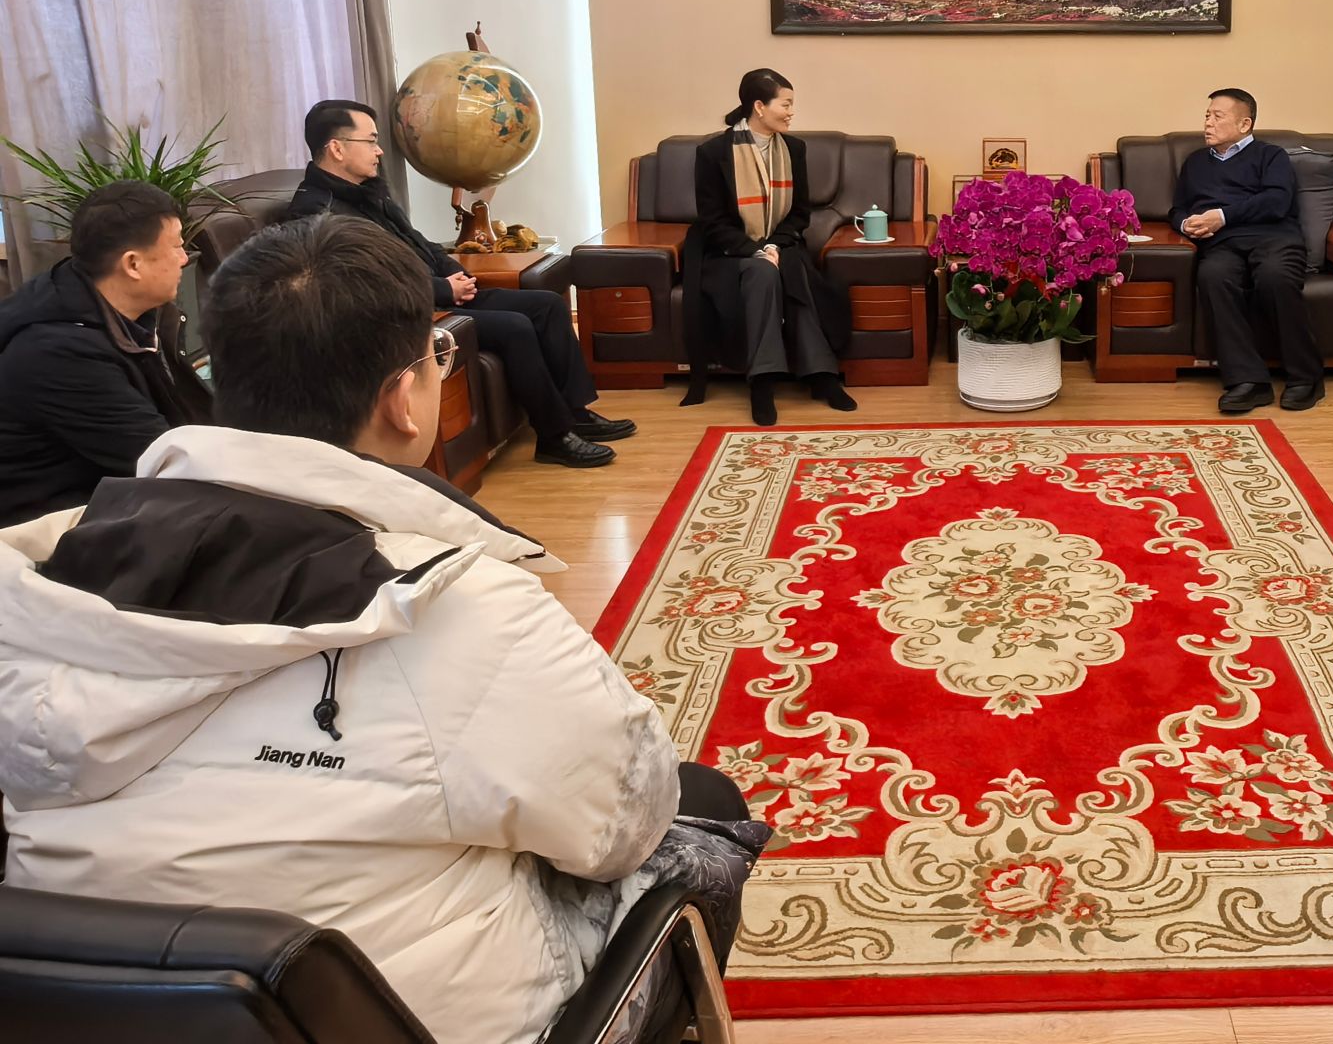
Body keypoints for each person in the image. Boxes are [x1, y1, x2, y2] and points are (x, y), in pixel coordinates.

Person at [0, 215, 760, 1044]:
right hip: (425, 1020)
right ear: (403, 399)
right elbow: (624, 828)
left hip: (98, 1016)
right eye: (438, 357)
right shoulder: (465, 613)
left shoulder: (42, 570)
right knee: (701, 812)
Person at [285, 100, 631, 468]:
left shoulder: (368, 191)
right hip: (406, 312)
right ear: (337, 149)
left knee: (545, 305)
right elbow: (362, 286)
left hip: (436, 292)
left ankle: (574, 413)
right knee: (515, 327)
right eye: (370, 141)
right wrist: (442, 289)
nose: (379, 150)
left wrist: (456, 274)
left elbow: (418, 242)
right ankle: (554, 436)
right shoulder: (316, 213)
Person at [0, 179, 211, 523]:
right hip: (46, 527)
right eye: (176, 246)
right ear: (133, 264)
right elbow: (163, 459)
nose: (184, 258)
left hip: (107, 494)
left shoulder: (105, 303)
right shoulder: (59, 355)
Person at [681, 68, 854, 427]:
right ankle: (762, 382)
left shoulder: (794, 149)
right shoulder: (713, 153)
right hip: (729, 252)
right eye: (785, 104)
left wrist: (774, 244)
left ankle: (822, 375)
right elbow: (713, 221)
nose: (791, 112)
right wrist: (755, 250)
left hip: (781, 244)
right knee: (763, 272)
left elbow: (800, 213)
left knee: (792, 269)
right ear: (759, 106)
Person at [1170, 88, 1324, 413]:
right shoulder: (1195, 162)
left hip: (1274, 239)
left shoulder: (1271, 156)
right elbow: (1178, 208)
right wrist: (1185, 224)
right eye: (1207, 116)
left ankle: (1306, 378)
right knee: (1213, 275)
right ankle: (1248, 381)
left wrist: (1223, 216)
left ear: (1244, 124)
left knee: (1274, 277)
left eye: (1217, 116)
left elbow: (1277, 201)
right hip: (1221, 244)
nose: (1208, 123)